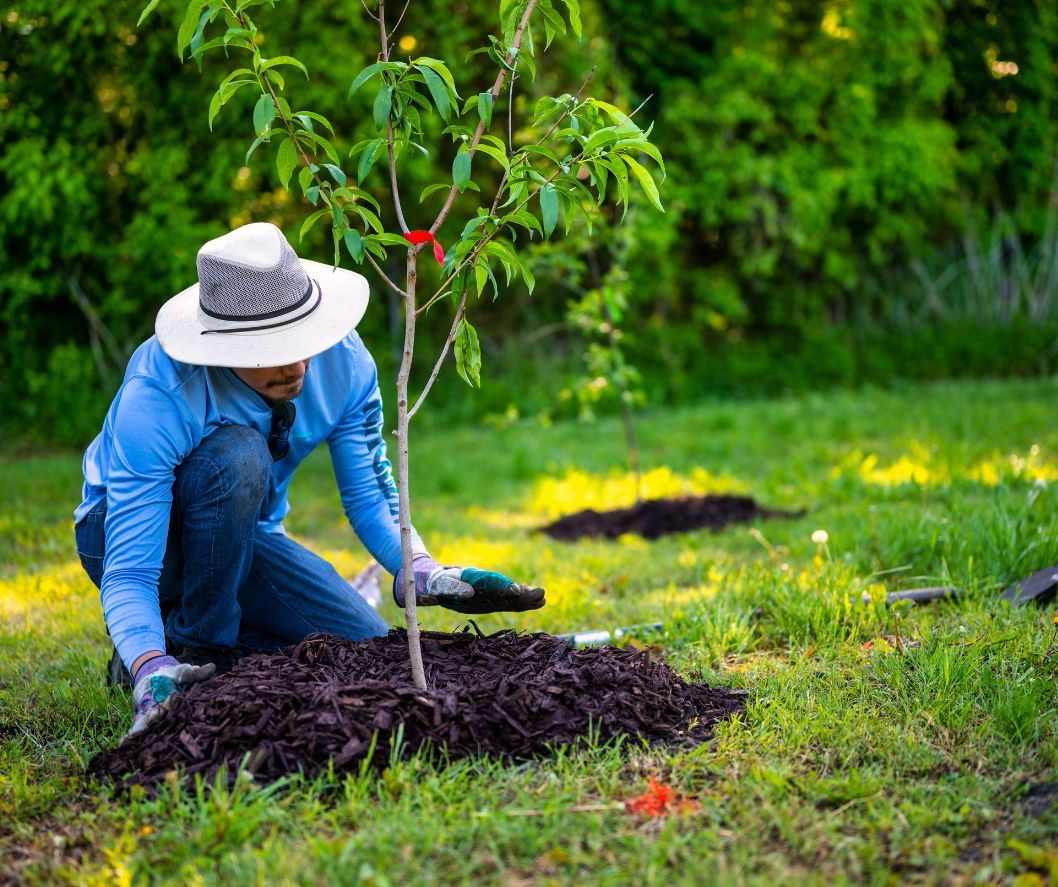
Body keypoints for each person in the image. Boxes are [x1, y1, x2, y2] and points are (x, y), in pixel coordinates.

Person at [74, 222, 545, 738]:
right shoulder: (162, 393)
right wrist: (149, 665)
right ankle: (183, 651)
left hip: (243, 539)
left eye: (304, 338)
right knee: (240, 453)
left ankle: (177, 638)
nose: (298, 363)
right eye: (270, 348)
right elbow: (130, 570)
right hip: (128, 538)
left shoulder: (344, 364)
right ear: (223, 348)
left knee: (362, 644)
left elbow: (371, 494)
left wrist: (420, 569)